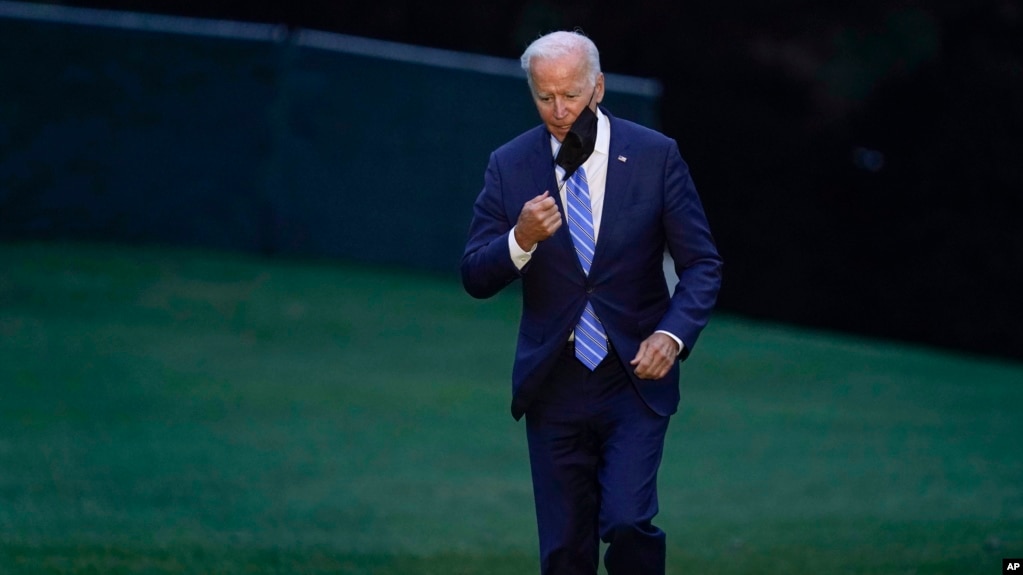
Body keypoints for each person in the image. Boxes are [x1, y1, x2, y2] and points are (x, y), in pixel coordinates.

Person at [460, 30, 723, 575]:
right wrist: (521, 238)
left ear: (598, 87)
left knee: (626, 522)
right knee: (563, 553)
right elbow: (475, 275)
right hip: (553, 381)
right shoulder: (509, 165)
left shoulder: (655, 156)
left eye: (572, 95)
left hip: (634, 377)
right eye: (545, 97)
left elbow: (702, 264)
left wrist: (671, 336)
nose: (559, 110)